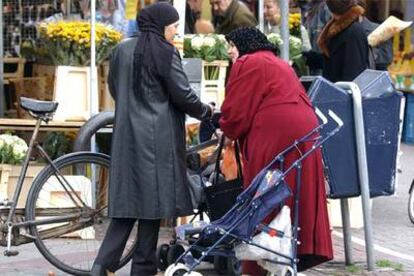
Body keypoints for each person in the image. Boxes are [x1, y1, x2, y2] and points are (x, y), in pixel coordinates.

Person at [90, 3, 213, 276]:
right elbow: (183, 95)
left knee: (126, 207)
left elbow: (114, 87)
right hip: (158, 140)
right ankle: (143, 269)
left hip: (126, 136)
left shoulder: (121, 50)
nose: (176, 32)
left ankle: (101, 266)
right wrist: (207, 112)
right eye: (173, 27)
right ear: (161, 26)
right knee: (152, 205)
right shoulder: (166, 52)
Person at [220, 27, 333, 275]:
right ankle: (288, 254)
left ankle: (260, 260)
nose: (229, 51)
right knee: (294, 192)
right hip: (302, 129)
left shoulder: (248, 61)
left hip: (276, 131)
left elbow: (236, 112)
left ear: (244, 44)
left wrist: (224, 129)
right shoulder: (276, 62)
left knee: (265, 191)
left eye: (231, 44)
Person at [318, 0, 369, 82]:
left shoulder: (353, 31)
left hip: (343, 91)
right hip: (335, 89)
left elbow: (354, 74)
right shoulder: (334, 28)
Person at [357, 0, 393, 70]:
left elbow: (386, 58)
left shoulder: (380, 30)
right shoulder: (340, 29)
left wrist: (369, 52)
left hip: (371, 76)